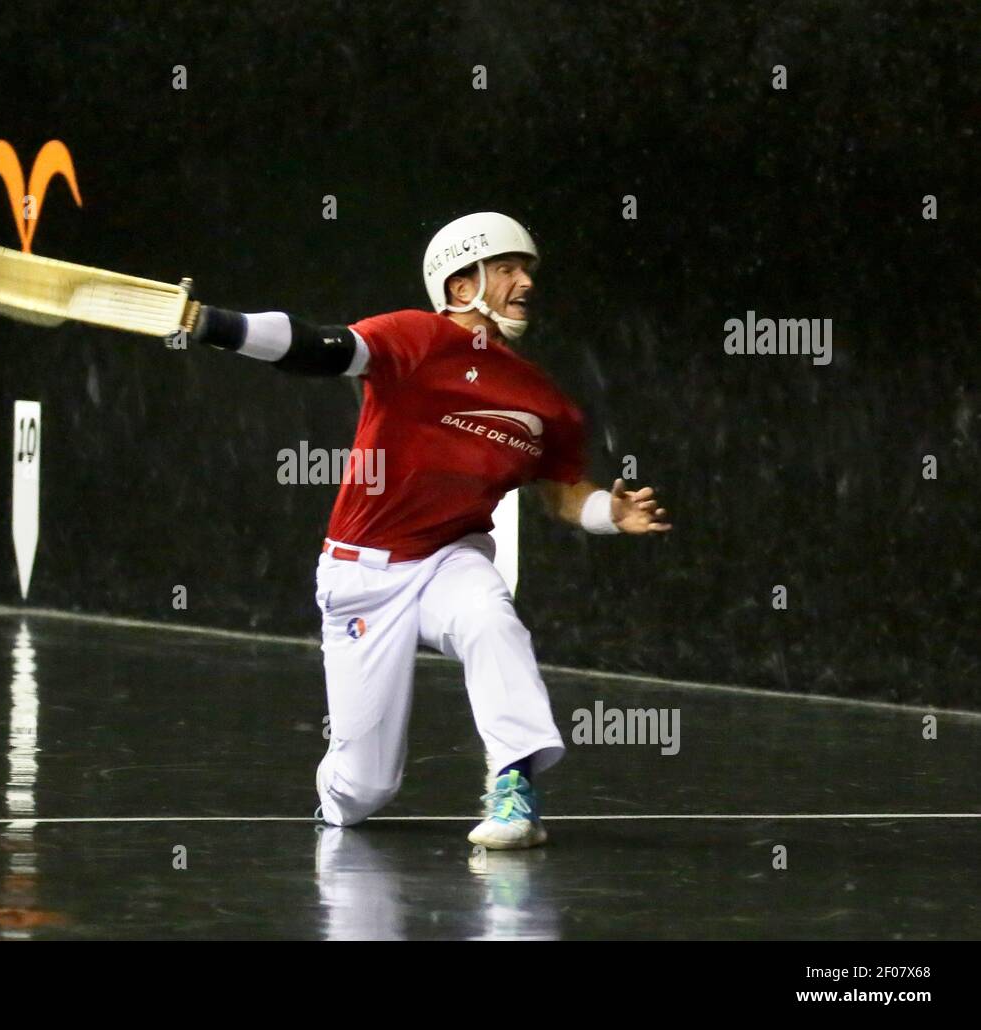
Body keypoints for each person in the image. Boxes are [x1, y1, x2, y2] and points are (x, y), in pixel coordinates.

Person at [184, 213, 670, 848]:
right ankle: (338, 796)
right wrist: (214, 325)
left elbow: (563, 497)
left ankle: (514, 786)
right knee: (365, 791)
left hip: (452, 559)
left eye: (527, 270)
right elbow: (318, 346)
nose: (526, 282)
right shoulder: (412, 338)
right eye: (508, 269)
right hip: (363, 571)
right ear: (462, 285)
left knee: (491, 620)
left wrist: (613, 512)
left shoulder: (545, 400)